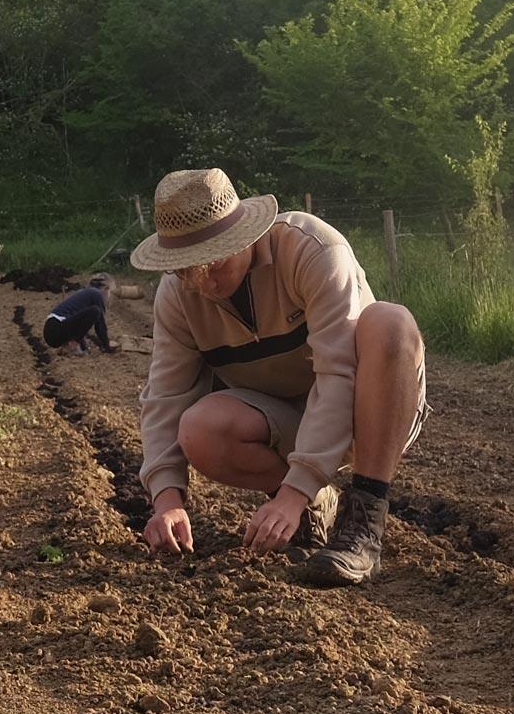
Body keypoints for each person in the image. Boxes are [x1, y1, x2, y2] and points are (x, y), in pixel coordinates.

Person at [131, 168, 426, 586]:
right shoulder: (179, 296)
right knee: (198, 427)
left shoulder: (311, 249)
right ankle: (311, 510)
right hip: (284, 418)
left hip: (368, 413)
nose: (206, 284)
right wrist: (166, 501)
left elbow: (340, 374)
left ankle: (364, 520)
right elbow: (166, 395)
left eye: (214, 263)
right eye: (186, 271)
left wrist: (293, 491)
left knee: (390, 322)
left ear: (244, 236)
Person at [43, 274, 120, 357]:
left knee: (91, 314)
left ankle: (71, 346)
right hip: (55, 328)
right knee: (95, 310)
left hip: (51, 331)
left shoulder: (86, 293)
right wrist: (107, 345)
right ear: (106, 289)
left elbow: (80, 327)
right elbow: (100, 325)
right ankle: (72, 346)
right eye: (110, 293)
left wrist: (85, 349)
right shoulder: (96, 294)